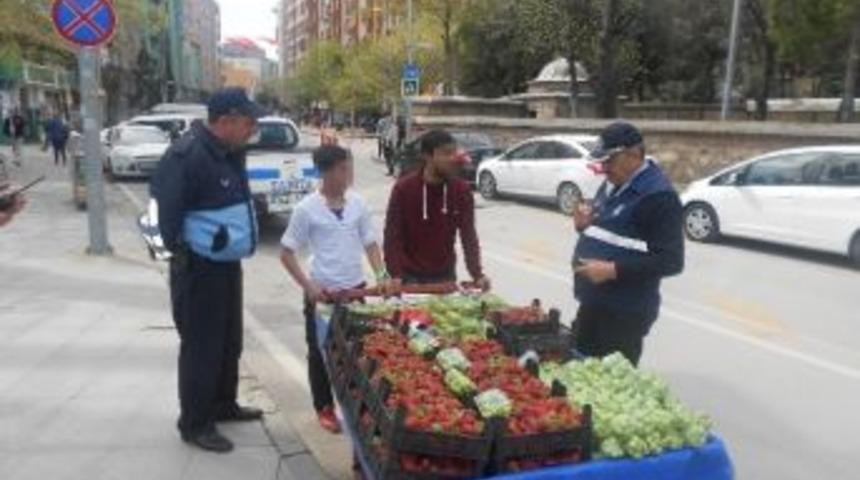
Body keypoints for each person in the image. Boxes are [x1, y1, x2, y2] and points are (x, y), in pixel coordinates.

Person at [149, 88, 267, 453]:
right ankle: (195, 423)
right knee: (202, 347)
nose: (253, 129)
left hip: (226, 265)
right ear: (227, 121)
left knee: (229, 341)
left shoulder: (229, 152)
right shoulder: (186, 156)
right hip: (198, 270)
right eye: (249, 122)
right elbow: (158, 217)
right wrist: (178, 260)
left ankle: (222, 404)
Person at [279, 145, 393, 434]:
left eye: (349, 167)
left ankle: (358, 406)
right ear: (326, 172)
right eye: (343, 169)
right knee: (319, 352)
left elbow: (370, 243)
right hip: (323, 295)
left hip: (355, 292)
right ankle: (324, 408)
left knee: (358, 352)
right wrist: (308, 286)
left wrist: (382, 274)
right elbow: (286, 253)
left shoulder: (358, 204)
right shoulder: (306, 209)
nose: (349, 174)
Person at [572, 121, 684, 366]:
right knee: (579, 368)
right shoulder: (614, 182)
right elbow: (613, 230)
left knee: (609, 381)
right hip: (594, 302)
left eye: (609, 161)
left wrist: (613, 270)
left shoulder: (659, 197)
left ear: (633, 155)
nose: (603, 168)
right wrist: (584, 225)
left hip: (624, 312)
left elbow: (671, 261)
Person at [384, 129, 490, 289]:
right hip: (408, 278)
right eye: (446, 153)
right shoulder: (403, 189)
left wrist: (477, 274)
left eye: (454, 152)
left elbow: (468, 235)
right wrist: (395, 274)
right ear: (427, 156)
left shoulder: (461, 190)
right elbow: (392, 235)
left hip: (445, 276)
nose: (452, 158)